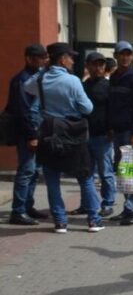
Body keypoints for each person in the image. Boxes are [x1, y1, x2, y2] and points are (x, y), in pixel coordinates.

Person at [24, 43, 104, 234]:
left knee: (52, 179)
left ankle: (60, 222)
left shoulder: (41, 78)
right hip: (73, 132)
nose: (73, 60)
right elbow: (88, 108)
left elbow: (28, 87)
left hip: (49, 131)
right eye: (70, 57)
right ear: (61, 59)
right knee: (84, 176)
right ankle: (93, 220)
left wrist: (44, 70)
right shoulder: (73, 81)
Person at [70, 52, 116, 217]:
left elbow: (113, 110)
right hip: (84, 135)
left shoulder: (108, 86)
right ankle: (86, 204)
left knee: (106, 172)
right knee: (85, 172)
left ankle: (108, 203)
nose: (98, 68)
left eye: (101, 65)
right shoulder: (83, 85)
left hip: (102, 136)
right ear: (87, 66)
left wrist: (111, 129)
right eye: (94, 64)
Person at [108, 40, 133, 225]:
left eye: (128, 54)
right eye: (121, 54)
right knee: (123, 172)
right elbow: (112, 105)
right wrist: (110, 127)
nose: (125, 57)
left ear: (132, 56)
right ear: (115, 56)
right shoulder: (115, 76)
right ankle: (128, 208)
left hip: (131, 132)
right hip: (118, 131)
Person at [6, 44, 47, 225]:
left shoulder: (36, 77)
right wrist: (31, 135)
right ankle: (18, 211)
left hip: (37, 130)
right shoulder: (21, 80)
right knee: (26, 170)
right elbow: (23, 111)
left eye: (45, 57)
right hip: (27, 133)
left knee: (35, 171)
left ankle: (28, 206)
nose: (44, 60)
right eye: (40, 57)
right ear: (29, 58)